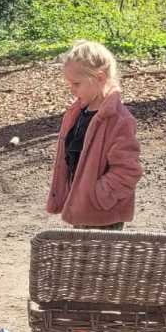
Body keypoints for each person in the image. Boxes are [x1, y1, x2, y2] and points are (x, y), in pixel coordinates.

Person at [45, 40, 143, 230]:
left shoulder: (119, 120)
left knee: (99, 252)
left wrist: (97, 195)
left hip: (103, 215)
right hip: (81, 209)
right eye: (69, 84)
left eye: (76, 83)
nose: (71, 89)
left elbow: (128, 171)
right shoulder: (78, 112)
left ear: (100, 77)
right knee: (80, 251)